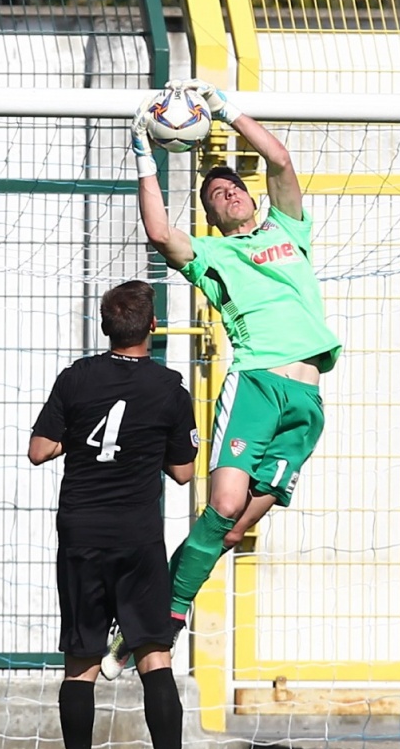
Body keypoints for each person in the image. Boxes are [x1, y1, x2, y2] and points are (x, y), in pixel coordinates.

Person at [107, 78, 341, 668]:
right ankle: (163, 614)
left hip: (308, 402)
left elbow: (280, 159)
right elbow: (160, 232)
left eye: (232, 186)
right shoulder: (215, 258)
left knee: (234, 525)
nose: (226, 193)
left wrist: (224, 109)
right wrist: (144, 152)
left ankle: (153, 606)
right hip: (259, 383)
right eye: (214, 194)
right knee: (227, 501)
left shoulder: (289, 230)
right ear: (210, 215)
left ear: (251, 196)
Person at [30, 280, 200, 749]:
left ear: (106, 327)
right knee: (154, 655)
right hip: (137, 537)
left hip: (81, 534)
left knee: (79, 663)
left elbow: (39, 452)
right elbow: (182, 472)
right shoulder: (170, 388)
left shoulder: (76, 378)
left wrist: (73, 438)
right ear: (152, 327)